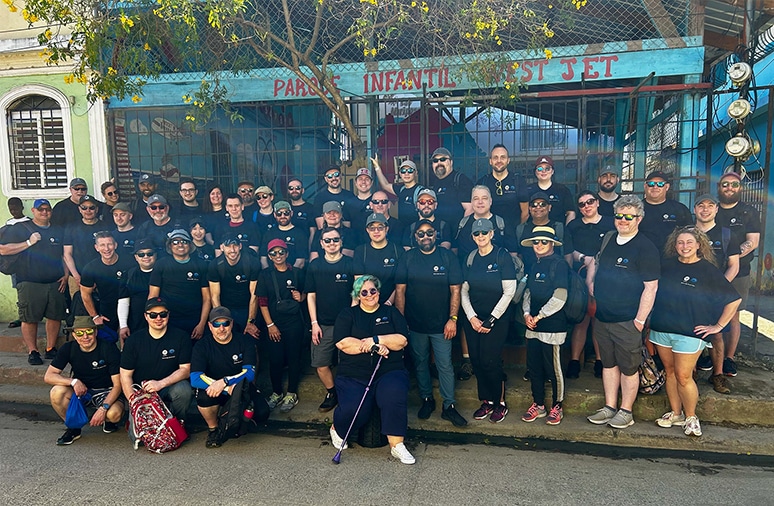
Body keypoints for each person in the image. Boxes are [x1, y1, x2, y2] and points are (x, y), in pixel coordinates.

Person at [650, 227, 741, 437]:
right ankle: (676, 413)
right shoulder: (666, 266)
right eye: (680, 242)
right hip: (662, 328)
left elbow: (734, 299)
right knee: (670, 373)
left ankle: (691, 417)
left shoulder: (708, 271)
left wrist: (717, 326)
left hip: (690, 333)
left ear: (699, 245)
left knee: (684, 376)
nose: (685, 246)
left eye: (689, 242)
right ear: (675, 245)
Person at [586, 195, 659, 429]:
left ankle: (626, 411)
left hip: (628, 319)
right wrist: (592, 283)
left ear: (639, 218)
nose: (623, 220)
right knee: (608, 364)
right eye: (619, 216)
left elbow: (651, 287)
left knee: (629, 368)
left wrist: (639, 320)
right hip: (603, 315)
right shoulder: (608, 239)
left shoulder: (645, 247)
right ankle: (609, 407)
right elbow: (596, 264)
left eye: (629, 216)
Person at [330, 275, 415, 465]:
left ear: (378, 291)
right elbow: (343, 343)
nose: (369, 295)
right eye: (364, 292)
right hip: (354, 374)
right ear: (358, 295)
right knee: (356, 409)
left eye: (373, 290)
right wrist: (372, 347)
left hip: (388, 371)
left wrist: (377, 339)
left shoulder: (391, 313)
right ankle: (337, 429)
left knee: (393, 395)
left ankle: (397, 445)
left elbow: (401, 340)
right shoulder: (348, 314)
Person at [395, 220, 467, 426]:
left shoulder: (447, 257)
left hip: (442, 325)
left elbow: (456, 289)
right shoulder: (407, 258)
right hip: (415, 324)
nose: (425, 237)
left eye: (429, 233)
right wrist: (401, 323)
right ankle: (427, 399)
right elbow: (400, 290)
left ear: (435, 234)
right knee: (420, 363)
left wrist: (453, 319)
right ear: (415, 237)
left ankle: (449, 406)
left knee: (445, 365)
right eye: (421, 234)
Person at [460, 219, 517, 423]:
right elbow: (463, 291)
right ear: (473, 237)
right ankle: (486, 401)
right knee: (476, 360)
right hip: (474, 319)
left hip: (497, 319)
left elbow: (509, 291)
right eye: (477, 233)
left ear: (492, 233)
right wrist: (472, 317)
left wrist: (492, 318)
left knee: (490, 360)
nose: (481, 236)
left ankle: (499, 402)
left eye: (485, 232)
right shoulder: (471, 258)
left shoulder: (502, 257)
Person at [0, 199, 67, 365]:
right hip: (29, 281)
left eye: (47, 209)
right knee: (29, 318)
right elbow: (3, 249)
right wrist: (29, 242)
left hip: (54, 281)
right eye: (40, 209)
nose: (44, 212)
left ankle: (51, 349)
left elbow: (64, 255)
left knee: (55, 316)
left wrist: (66, 275)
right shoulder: (20, 228)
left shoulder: (57, 230)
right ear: (33, 210)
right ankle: (33, 351)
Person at [190, 306, 265, 448]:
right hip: (215, 390)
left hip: (239, 387)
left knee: (262, 413)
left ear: (231, 324)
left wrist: (225, 382)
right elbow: (195, 378)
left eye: (225, 323)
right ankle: (213, 429)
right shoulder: (202, 346)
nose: (221, 328)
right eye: (217, 324)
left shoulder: (244, 341)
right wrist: (224, 387)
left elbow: (249, 374)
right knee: (203, 397)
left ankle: (236, 422)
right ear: (210, 326)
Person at [44, 315, 124, 445]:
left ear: (96, 332)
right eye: (80, 333)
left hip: (106, 390)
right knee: (56, 392)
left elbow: (117, 385)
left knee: (114, 414)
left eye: (89, 332)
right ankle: (74, 427)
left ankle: (107, 421)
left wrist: (103, 409)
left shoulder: (108, 348)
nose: (85, 337)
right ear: (74, 335)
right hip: (81, 390)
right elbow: (49, 376)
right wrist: (73, 382)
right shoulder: (68, 348)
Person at [693, 193, 742, 393]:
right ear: (695, 209)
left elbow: (734, 266)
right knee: (691, 332)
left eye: (710, 205)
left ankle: (718, 375)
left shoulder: (727, 234)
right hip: (690, 292)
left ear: (716, 209)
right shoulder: (685, 234)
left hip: (714, 294)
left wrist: (719, 288)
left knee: (717, 334)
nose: (705, 209)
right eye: (701, 206)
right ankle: (692, 372)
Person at [520, 226, 568, 426]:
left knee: (553, 368)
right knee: (534, 367)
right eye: (536, 242)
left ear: (552, 244)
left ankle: (558, 405)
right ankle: (538, 404)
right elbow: (529, 292)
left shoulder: (560, 264)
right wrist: (526, 314)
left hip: (553, 326)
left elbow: (560, 296)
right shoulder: (533, 264)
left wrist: (538, 316)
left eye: (544, 242)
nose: (539, 245)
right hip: (533, 326)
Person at [565, 190, 615, 378]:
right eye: (582, 204)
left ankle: (600, 361)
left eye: (590, 201)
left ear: (598, 202)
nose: (587, 206)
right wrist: (584, 258)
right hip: (580, 276)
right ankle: (575, 361)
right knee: (581, 319)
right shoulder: (574, 225)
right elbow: (568, 250)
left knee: (599, 321)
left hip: (606, 278)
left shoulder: (611, 222)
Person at [716, 171, 761, 377]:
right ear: (719, 187)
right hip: (712, 272)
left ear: (740, 188)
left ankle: (729, 358)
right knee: (710, 312)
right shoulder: (712, 209)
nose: (729, 188)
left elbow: (753, 242)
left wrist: (733, 254)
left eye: (734, 185)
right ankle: (711, 355)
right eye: (725, 185)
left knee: (733, 315)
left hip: (739, 271)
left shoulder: (748, 212)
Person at [120, 297, 193, 423]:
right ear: (146, 316)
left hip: (168, 386)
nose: (158, 318)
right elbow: (125, 376)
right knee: (138, 437)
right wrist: (134, 402)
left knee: (184, 390)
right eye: (153, 315)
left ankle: (178, 423)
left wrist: (160, 384)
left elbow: (186, 370)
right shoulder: (133, 341)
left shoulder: (181, 337)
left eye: (163, 314)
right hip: (142, 391)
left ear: (168, 315)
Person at [306, 227, 355, 412]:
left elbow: (356, 294)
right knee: (320, 363)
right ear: (321, 243)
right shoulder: (315, 265)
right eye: (327, 240)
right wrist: (314, 323)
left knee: (349, 363)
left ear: (341, 241)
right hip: (323, 324)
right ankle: (332, 392)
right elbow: (311, 296)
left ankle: (348, 394)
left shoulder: (350, 263)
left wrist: (352, 320)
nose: (332, 243)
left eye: (335, 240)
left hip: (346, 324)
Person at [256, 239, 306, 413]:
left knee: (294, 358)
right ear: (269, 256)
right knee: (275, 359)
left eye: (281, 252)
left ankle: (291, 393)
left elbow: (308, 292)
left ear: (287, 253)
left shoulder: (298, 273)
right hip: (273, 323)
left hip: (294, 323)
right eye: (273, 253)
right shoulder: (265, 275)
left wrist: (302, 297)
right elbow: (261, 302)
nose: (278, 256)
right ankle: (277, 392)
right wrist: (270, 325)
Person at [148, 229, 211, 339]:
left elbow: (207, 298)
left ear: (190, 245)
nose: (180, 245)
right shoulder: (161, 264)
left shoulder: (201, 264)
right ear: (170, 246)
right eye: (175, 242)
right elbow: (153, 296)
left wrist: (201, 324)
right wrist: (154, 322)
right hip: (169, 319)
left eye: (184, 241)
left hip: (194, 319)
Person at [79, 231, 135, 333]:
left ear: (115, 245)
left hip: (130, 306)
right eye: (102, 245)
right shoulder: (90, 268)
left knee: (129, 340)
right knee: (108, 342)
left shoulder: (130, 262)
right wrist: (95, 316)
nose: (106, 249)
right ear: (96, 247)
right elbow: (85, 294)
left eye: (109, 244)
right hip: (107, 309)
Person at [208, 233, 261, 339]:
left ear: (240, 246)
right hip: (227, 308)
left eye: (235, 245)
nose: (232, 250)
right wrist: (221, 320)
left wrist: (251, 321)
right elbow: (215, 296)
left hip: (247, 307)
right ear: (222, 247)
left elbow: (254, 295)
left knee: (251, 339)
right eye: (228, 246)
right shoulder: (215, 265)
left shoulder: (252, 262)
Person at [453, 185, 516, 261]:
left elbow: (513, 253)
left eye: (484, 198)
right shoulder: (461, 224)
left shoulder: (502, 224)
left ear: (490, 201)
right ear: (471, 202)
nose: (480, 202)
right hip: (467, 271)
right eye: (476, 199)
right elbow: (454, 253)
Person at [353, 213, 403, 305]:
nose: (376, 231)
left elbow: (400, 285)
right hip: (367, 304)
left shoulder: (398, 251)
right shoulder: (360, 251)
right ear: (367, 230)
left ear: (386, 229)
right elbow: (359, 285)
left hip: (391, 304)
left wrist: (388, 303)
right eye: (372, 228)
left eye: (380, 227)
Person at [638, 170, 692, 254]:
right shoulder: (636, 209)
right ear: (645, 186)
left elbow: (690, 236)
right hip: (642, 257)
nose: (655, 187)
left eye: (660, 184)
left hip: (672, 259)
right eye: (651, 184)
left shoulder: (680, 209)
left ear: (667, 187)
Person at [516, 191, 572, 273]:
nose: (538, 207)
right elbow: (519, 255)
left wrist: (567, 276)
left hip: (555, 277)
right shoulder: (521, 229)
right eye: (534, 205)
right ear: (530, 208)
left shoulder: (559, 228)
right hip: (528, 278)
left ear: (549, 207)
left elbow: (568, 255)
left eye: (543, 204)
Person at [476, 144, 528, 226]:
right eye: (495, 157)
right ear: (490, 161)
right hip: (488, 235)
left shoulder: (518, 181)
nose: (499, 161)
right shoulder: (483, 182)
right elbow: (477, 210)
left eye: (503, 157)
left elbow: (525, 213)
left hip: (513, 235)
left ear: (508, 160)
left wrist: (518, 232)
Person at [117, 240, 156, 344]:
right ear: (136, 257)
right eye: (141, 254)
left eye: (150, 253)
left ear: (155, 255)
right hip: (136, 324)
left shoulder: (163, 272)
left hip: (160, 321)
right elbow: (123, 302)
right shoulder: (129, 275)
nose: (146, 257)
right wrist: (123, 325)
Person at [62, 194, 103, 292]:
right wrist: (76, 276)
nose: (88, 211)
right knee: (78, 306)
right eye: (84, 208)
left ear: (96, 209)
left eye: (91, 208)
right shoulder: (71, 228)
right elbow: (67, 254)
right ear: (79, 209)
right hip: (76, 276)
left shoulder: (105, 226)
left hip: (101, 276)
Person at [372, 155, 425, 228]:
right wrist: (377, 167)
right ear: (400, 174)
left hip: (416, 230)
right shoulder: (401, 189)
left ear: (416, 173)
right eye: (403, 171)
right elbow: (385, 185)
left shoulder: (421, 191)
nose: (406, 174)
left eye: (410, 171)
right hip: (403, 229)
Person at [428, 147, 473, 230]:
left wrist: (462, 231)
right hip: (440, 235)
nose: (439, 163)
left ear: (451, 162)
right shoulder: (436, 184)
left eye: (443, 159)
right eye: (435, 161)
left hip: (457, 236)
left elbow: (470, 209)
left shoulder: (461, 180)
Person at [525, 155, 575, 225]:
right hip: (532, 232)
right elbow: (523, 213)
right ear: (535, 172)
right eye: (540, 169)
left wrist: (566, 231)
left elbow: (570, 213)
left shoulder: (562, 190)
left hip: (557, 232)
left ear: (552, 171)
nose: (543, 171)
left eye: (547, 168)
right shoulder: (528, 190)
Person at [261, 200, 309, 269]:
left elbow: (300, 261)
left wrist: (290, 275)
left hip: (293, 275)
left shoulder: (300, 234)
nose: (282, 216)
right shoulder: (268, 234)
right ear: (275, 215)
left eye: (286, 213)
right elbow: (263, 259)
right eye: (279, 213)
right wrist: (269, 275)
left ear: (291, 213)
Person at [5, 197, 30, 329]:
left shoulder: (29, 223)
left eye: (16, 208)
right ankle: (22, 315)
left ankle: (29, 315)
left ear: (22, 207)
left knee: (29, 288)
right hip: (13, 262)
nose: (13, 211)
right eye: (11, 208)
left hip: (28, 262)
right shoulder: (9, 223)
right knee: (19, 288)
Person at [285, 177, 317, 243]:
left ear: (302, 190)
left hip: (303, 248)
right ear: (288, 191)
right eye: (291, 188)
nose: (294, 190)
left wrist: (310, 250)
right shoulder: (285, 208)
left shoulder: (310, 208)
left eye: (297, 188)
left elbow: (313, 232)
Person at [350, 167, 376, 236]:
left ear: (372, 182)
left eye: (367, 179)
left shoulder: (377, 201)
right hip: (355, 242)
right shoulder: (349, 203)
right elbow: (347, 226)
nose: (363, 182)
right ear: (356, 182)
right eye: (360, 179)